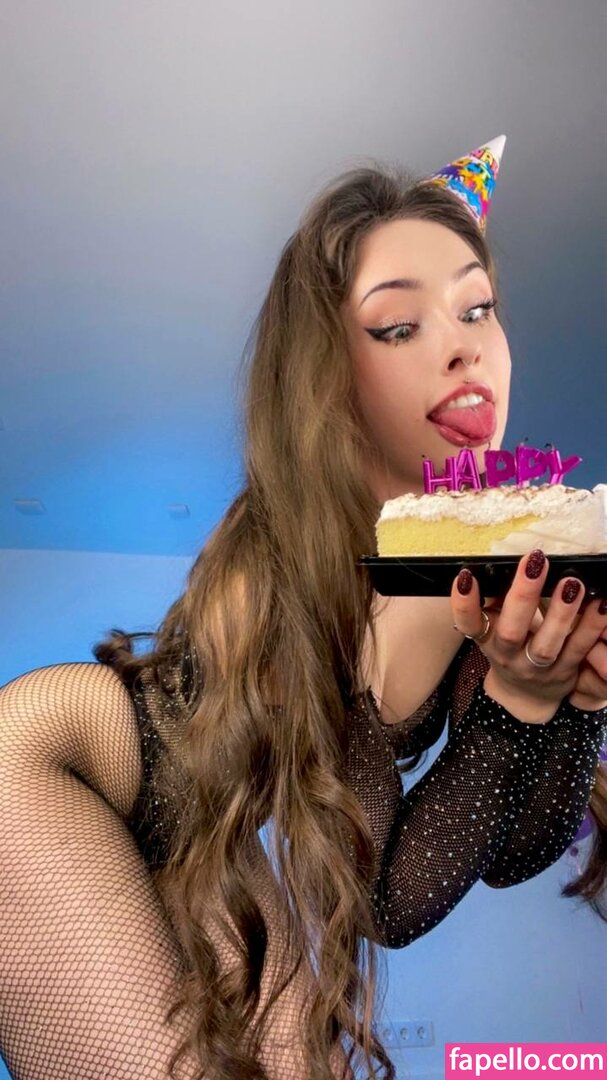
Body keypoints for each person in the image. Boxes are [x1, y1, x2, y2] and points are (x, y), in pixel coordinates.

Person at [1, 136, 606, 1080]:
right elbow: (379, 897)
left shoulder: (493, 565)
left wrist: (559, 703)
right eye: (397, 325)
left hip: (205, 836)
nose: (462, 345)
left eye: (476, 307)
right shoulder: (292, 551)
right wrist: (519, 703)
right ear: (329, 372)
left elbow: (501, 850)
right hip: (54, 761)